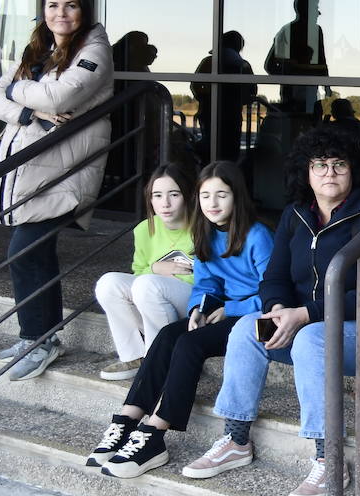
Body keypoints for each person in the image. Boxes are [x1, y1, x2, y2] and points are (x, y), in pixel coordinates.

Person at [185, 128, 360, 496]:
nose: (329, 173)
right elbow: (274, 276)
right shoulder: (295, 214)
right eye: (319, 165)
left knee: (309, 337)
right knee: (245, 329)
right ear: (306, 172)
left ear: (354, 170)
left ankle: (329, 459)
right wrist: (276, 310)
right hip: (304, 324)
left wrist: (304, 315)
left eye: (339, 165)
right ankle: (236, 440)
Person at [88, 161, 273, 478]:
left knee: (189, 344)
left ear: (236, 197)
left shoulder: (257, 235)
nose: (212, 204)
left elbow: (274, 292)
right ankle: (126, 419)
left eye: (221, 195)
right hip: (223, 310)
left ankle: (154, 434)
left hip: (257, 317)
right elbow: (206, 283)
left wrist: (231, 310)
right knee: (166, 337)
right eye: (205, 196)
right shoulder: (205, 232)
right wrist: (199, 309)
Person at [0, 0, 114, 380]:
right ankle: (38, 338)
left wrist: (15, 89)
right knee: (33, 251)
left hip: (64, 170)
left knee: (25, 250)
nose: (60, 13)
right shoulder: (37, 50)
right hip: (30, 169)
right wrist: (28, 112)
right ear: (43, 12)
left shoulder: (94, 49)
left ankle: (41, 340)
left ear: (84, 11)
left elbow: (59, 99)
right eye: (52, 5)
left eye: (70, 5)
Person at [93, 163, 197, 381]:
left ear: (187, 195)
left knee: (146, 284)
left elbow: (212, 276)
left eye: (174, 194)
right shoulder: (144, 229)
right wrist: (155, 268)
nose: (165, 203)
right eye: (157, 195)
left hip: (193, 303)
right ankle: (134, 356)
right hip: (153, 304)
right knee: (108, 282)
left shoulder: (202, 226)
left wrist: (160, 277)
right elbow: (138, 271)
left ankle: (158, 358)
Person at [191, 31, 256, 162]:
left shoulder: (209, 62)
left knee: (210, 148)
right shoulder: (243, 65)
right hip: (233, 113)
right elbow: (252, 90)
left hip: (210, 111)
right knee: (230, 151)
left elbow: (196, 85)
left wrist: (205, 97)